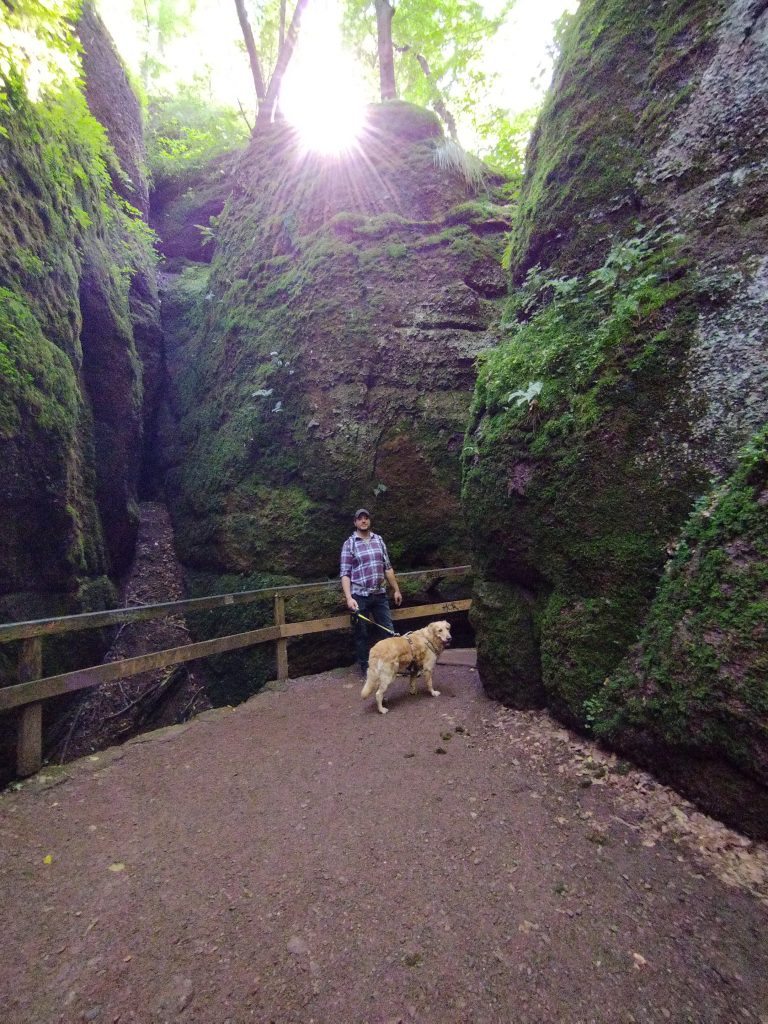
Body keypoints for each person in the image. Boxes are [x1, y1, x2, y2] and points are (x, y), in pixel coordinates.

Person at [340, 508, 403, 675]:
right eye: (360, 519)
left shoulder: (379, 540)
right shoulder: (350, 544)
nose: (363, 521)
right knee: (361, 633)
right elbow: (345, 574)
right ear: (355, 522)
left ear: (370, 521)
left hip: (379, 594)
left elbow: (387, 568)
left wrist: (396, 590)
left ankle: (390, 665)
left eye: (366, 518)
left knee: (387, 629)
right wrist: (348, 598)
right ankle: (366, 668)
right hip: (359, 595)